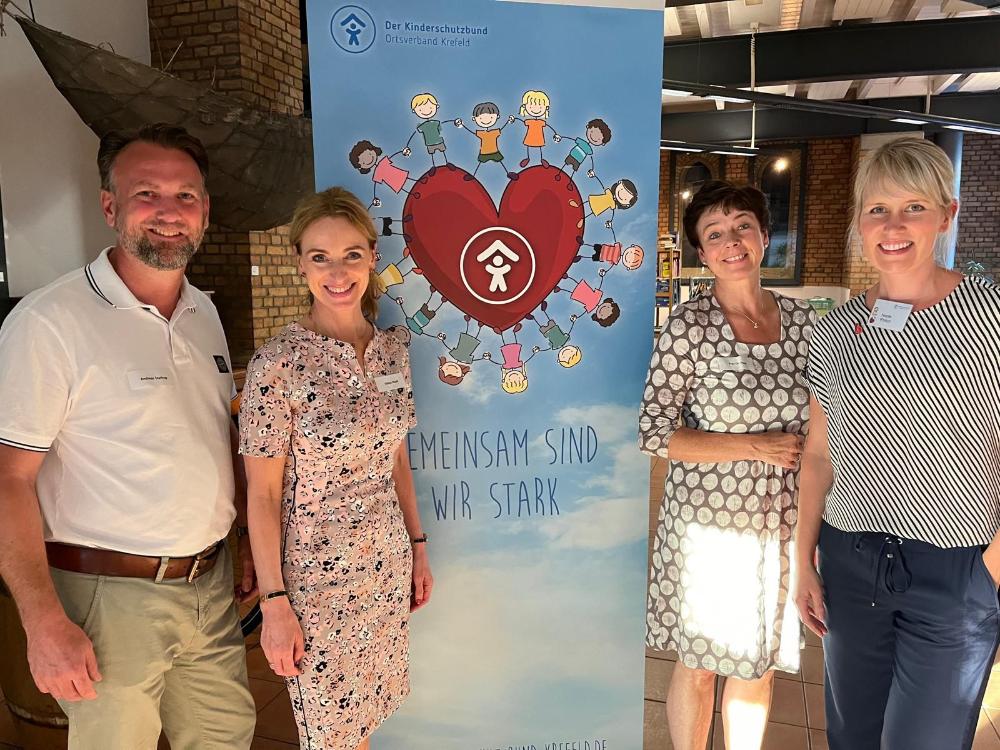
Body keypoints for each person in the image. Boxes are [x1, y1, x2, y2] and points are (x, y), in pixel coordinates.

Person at [0, 123, 256, 749]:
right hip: (106, 597)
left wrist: (246, 539)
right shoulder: (49, 322)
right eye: (147, 193)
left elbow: (215, 436)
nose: (169, 211)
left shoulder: (204, 312)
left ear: (204, 212)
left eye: (185, 196)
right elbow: (8, 479)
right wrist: (42, 620)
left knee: (227, 737)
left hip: (210, 583)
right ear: (110, 206)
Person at [793, 137, 1000, 750]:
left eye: (914, 207)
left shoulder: (990, 312)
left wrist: (991, 567)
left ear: (947, 215)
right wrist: (801, 561)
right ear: (860, 222)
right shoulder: (836, 328)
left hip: (956, 567)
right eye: (878, 209)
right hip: (850, 560)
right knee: (853, 736)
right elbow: (818, 454)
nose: (893, 226)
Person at [239, 187, 433, 750]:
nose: (338, 272)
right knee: (331, 734)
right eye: (320, 257)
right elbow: (262, 496)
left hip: (385, 565)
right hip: (317, 583)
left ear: (372, 257)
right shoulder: (278, 365)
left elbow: (397, 457)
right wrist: (274, 603)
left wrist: (418, 545)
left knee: (365, 720)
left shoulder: (392, 349)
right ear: (300, 263)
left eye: (351, 254)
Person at [640, 180, 815, 750]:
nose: (731, 241)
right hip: (707, 528)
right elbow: (654, 431)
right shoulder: (689, 326)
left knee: (757, 664)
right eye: (714, 233)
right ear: (701, 251)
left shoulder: (805, 324)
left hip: (782, 524)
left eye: (742, 226)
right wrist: (755, 446)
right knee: (699, 664)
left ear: (764, 237)